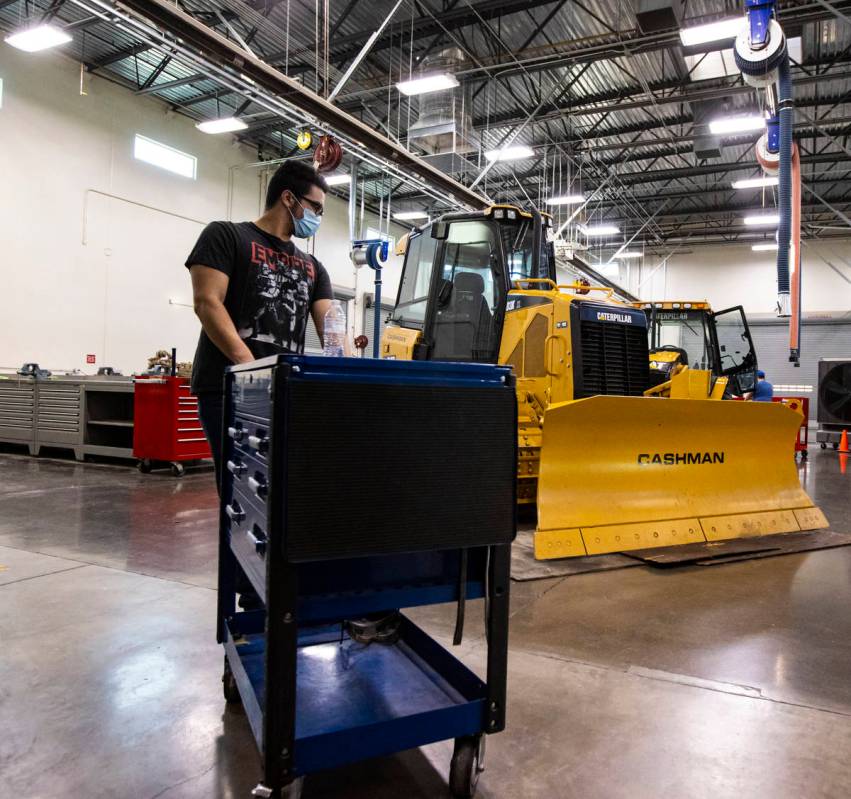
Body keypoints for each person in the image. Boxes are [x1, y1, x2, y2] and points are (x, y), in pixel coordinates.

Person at [185, 160, 333, 485]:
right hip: (230, 388)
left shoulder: (313, 266)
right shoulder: (225, 236)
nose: (318, 219)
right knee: (243, 488)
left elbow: (331, 327)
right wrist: (253, 371)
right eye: (316, 208)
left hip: (285, 391)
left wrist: (346, 375)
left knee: (287, 490)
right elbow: (207, 303)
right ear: (289, 199)